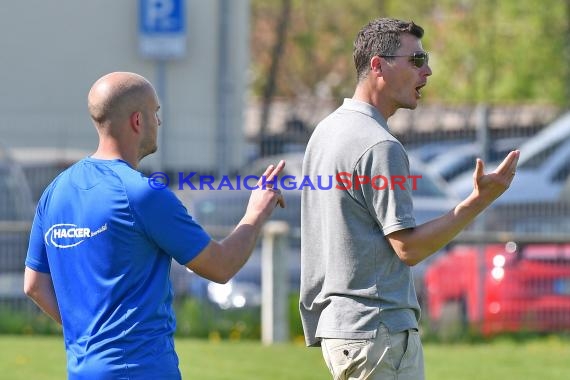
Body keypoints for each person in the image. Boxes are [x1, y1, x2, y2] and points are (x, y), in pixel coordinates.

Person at [23, 71, 285, 379]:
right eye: (155, 113)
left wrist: (91, 337)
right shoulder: (143, 194)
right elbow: (221, 266)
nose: (158, 122)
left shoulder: (55, 190)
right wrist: (255, 212)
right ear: (137, 121)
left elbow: (34, 285)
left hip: (81, 371)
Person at [299, 18, 519, 380]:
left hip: (340, 331)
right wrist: (478, 201)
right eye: (416, 60)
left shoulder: (325, 131)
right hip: (378, 332)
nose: (428, 70)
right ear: (377, 65)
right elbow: (409, 249)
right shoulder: (380, 145)